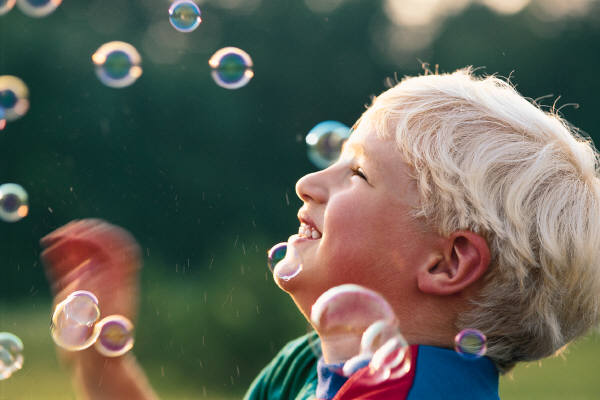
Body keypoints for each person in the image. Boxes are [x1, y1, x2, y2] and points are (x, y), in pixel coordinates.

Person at [41, 67, 600, 399]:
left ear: (447, 264)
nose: (309, 182)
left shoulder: (422, 392)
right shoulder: (303, 366)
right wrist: (101, 358)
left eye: (357, 172)